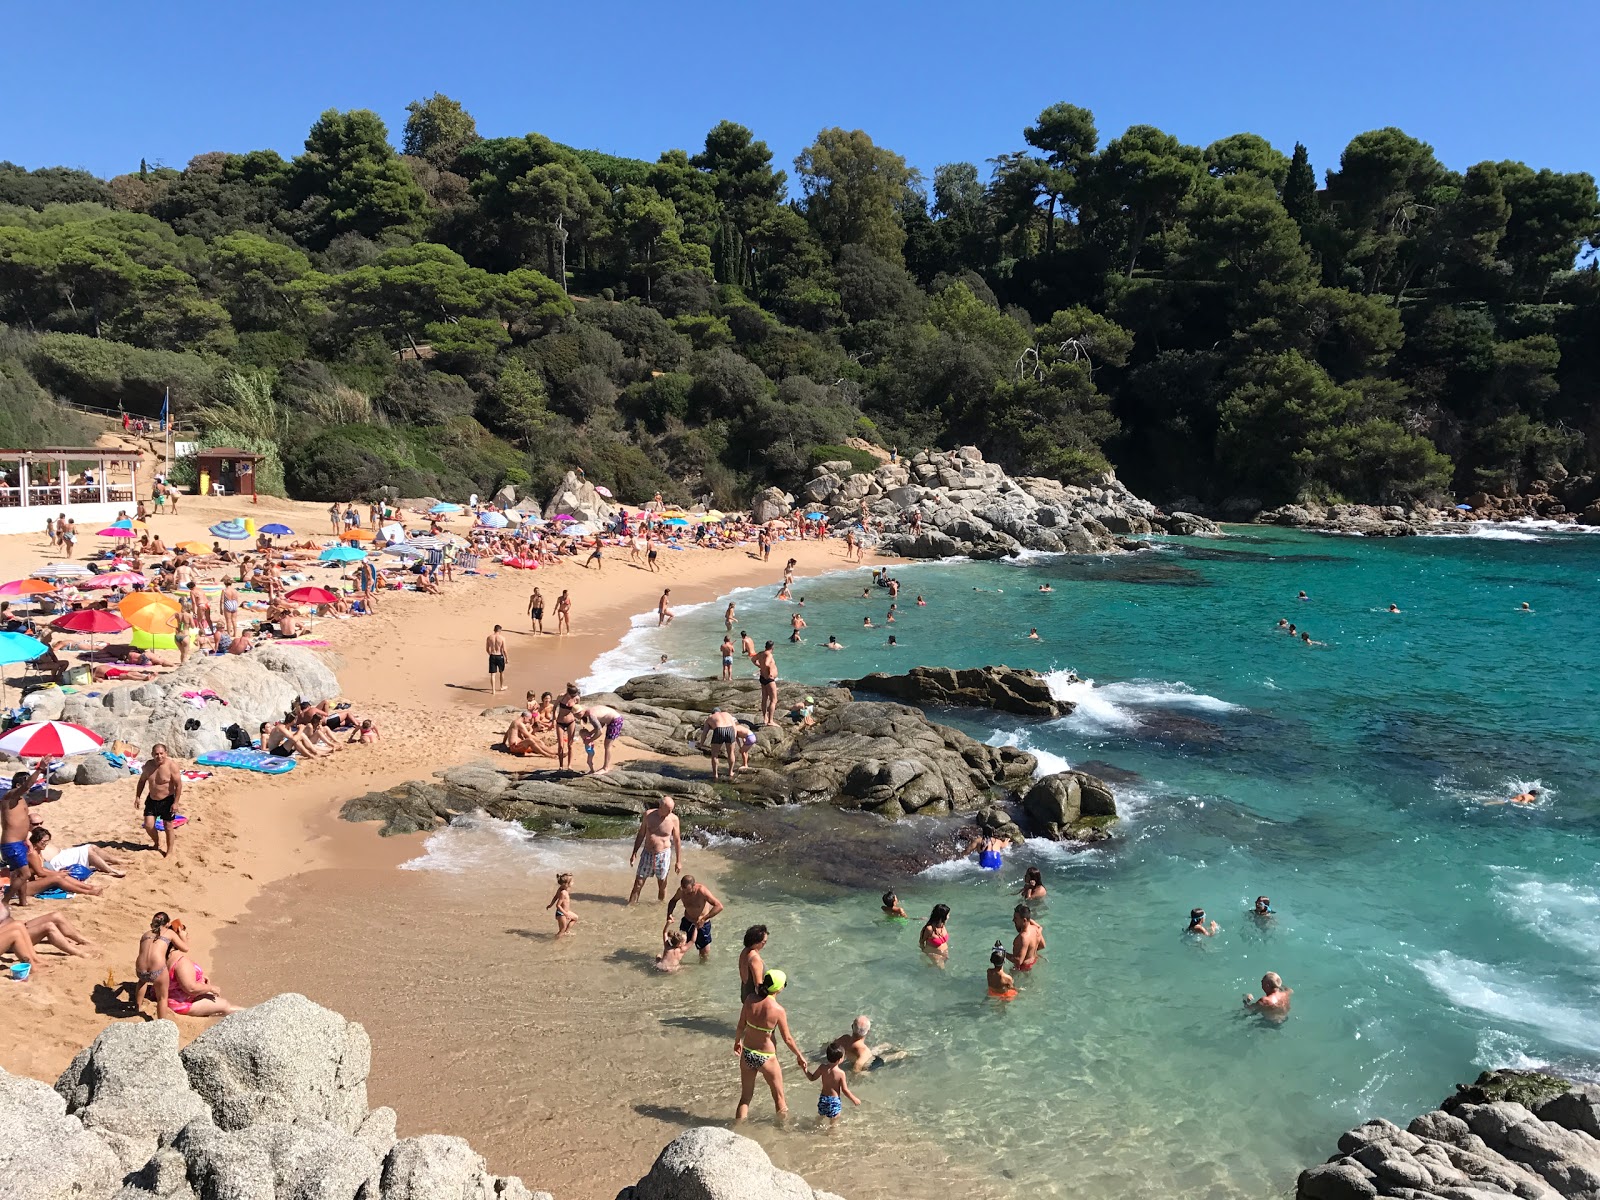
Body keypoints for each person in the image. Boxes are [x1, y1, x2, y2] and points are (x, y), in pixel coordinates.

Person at [733, 970, 807, 1122]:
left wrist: (737, 1042)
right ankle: (784, 1131)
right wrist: (799, 1055)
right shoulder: (778, 1010)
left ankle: (738, 1129)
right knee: (779, 1098)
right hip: (766, 1057)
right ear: (779, 988)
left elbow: (741, 1025)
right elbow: (787, 1038)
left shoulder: (749, 1000)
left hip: (747, 1053)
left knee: (745, 1098)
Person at [2, 761, 48, 905]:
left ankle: (23, 901)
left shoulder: (21, 800)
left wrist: (26, 840)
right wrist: (39, 769)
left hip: (19, 842)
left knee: (17, 874)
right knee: (25, 874)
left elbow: (20, 821)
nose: (29, 788)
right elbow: (27, 785)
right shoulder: (10, 797)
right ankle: (4, 902)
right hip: (11, 844)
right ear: (17, 786)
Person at [627, 796, 682, 904]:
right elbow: (641, 834)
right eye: (668, 809)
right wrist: (634, 853)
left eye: (672, 809)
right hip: (647, 853)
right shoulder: (648, 815)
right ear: (660, 806)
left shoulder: (673, 819)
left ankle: (660, 907)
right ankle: (631, 906)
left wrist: (678, 861)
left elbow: (677, 840)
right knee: (638, 883)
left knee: (662, 884)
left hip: (663, 855)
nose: (670, 812)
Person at [165, 942, 240, 1018]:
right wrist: (210, 988)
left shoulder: (163, 955)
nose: (188, 937)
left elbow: (176, 978)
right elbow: (191, 988)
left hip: (171, 993)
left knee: (214, 998)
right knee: (226, 1006)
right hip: (180, 1002)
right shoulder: (181, 962)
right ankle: (250, 1014)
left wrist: (199, 979)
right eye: (185, 932)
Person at [135, 912, 188, 1019]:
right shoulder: (169, 932)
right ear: (167, 924)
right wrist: (183, 936)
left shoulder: (145, 934)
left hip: (140, 970)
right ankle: (161, 1022)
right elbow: (185, 948)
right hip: (157, 970)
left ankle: (137, 1008)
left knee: (142, 982)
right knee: (162, 997)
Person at [134, 745, 182, 859]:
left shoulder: (171, 766)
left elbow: (178, 785)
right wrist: (137, 796)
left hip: (167, 800)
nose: (159, 756)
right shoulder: (148, 766)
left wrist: (176, 802)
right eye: (156, 754)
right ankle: (157, 843)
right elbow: (142, 781)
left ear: (166, 753)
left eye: (161, 753)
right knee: (148, 825)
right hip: (152, 800)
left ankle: (169, 852)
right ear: (152, 754)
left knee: (168, 826)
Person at [665, 874, 724, 960]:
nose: (686, 893)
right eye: (684, 890)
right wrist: (669, 914)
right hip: (687, 921)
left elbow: (719, 906)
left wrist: (704, 918)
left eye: (688, 891)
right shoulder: (681, 891)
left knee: (704, 953)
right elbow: (673, 901)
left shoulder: (702, 891)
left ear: (694, 886)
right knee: (678, 947)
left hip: (702, 924)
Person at [804, 1045, 861, 1124]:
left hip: (823, 1099)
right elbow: (845, 1090)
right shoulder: (841, 1073)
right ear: (840, 1059)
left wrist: (805, 1069)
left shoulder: (822, 1067)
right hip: (834, 1101)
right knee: (833, 1123)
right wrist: (854, 1099)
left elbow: (812, 1078)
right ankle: (831, 1135)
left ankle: (815, 1129)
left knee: (820, 1118)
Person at [33, 829, 125, 878]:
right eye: (35, 824)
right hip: (56, 862)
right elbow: (40, 867)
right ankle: (111, 871)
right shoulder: (30, 838)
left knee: (91, 846)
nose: (39, 825)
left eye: (41, 822)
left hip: (62, 853)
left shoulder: (39, 834)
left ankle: (117, 860)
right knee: (89, 853)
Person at [577, 702, 625, 774]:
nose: (577, 716)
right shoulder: (591, 710)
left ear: (582, 711)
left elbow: (600, 732)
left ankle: (606, 768)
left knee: (607, 745)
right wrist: (591, 733)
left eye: (578, 714)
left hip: (615, 720)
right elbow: (600, 725)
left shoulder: (591, 716)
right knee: (607, 745)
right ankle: (606, 766)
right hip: (614, 719)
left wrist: (590, 740)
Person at [1006, 904, 1045, 971]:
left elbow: (1019, 961)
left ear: (1024, 920)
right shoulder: (1036, 929)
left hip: (1023, 969)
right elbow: (1042, 946)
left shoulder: (1023, 937)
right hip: (1034, 961)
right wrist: (1030, 951)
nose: (1013, 920)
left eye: (1015, 918)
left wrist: (1003, 953)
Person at [702, 708, 739, 780]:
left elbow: (705, 732)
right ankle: (730, 772)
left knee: (715, 755)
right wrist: (733, 738)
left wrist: (701, 743)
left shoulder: (710, 717)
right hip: (730, 729)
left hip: (719, 730)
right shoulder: (728, 714)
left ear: (713, 713)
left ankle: (715, 774)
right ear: (720, 711)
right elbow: (734, 728)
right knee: (731, 753)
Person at [752, 641, 778, 727]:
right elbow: (767, 663)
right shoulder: (769, 655)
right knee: (773, 700)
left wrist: (760, 666)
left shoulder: (760, 653)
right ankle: (770, 721)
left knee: (764, 698)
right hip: (769, 679)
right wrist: (770, 670)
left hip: (762, 678)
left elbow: (753, 659)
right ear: (772, 647)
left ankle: (765, 718)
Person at [739, 925, 768, 1002]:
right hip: (754, 999)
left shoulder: (744, 951)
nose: (765, 944)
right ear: (756, 942)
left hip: (745, 994)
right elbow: (758, 985)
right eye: (764, 942)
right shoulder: (754, 958)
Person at [546, 872, 578, 937]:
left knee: (575, 918)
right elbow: (558, 905)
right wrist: (565, 914)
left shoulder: (562, 889)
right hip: (561, 913)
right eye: (572, 882)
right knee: (561, 930)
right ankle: (556, 941)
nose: (573, 883)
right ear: (566, 884)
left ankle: (567, 931)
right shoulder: (563, 892)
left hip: (565, 912)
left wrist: (550, 905)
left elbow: (555, 897)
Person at [485, 625, 509, 694]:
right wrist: (506, 658)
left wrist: (491, 655)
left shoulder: (489, 637)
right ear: (499, 630)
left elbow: (487, 649)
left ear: (494, 630)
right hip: (499, 656)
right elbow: (504, 650)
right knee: (501, 672)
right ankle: (501, 686)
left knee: (493, 674)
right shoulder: (502, 638)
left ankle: (493, 690)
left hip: (492, 655)